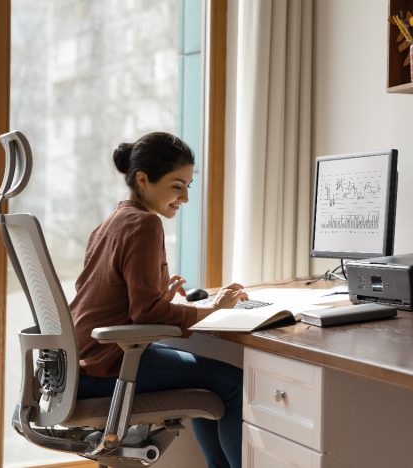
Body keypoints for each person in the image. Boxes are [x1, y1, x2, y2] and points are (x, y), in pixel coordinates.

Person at [70, 131, 247, 468]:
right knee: (234, 385)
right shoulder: (145, 224)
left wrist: (161, 299)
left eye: (188, 187)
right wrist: (212, 308)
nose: (185, 198)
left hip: (81, 362)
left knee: (213, 388)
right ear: (143, 180)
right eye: (176, 186)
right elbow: (145, 311)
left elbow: (122, 302)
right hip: (109, 365)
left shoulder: (112, 221)